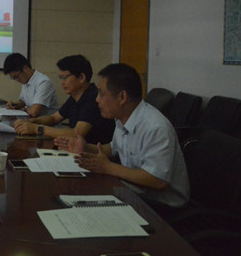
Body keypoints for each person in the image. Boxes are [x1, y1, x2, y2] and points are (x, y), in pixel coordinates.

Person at [54, 63, 189, 209]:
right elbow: (113, 148)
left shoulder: (155, 127)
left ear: (122, 97)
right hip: (134, 190)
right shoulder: (122, 117)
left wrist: (108, 167)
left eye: (101, 94)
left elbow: (158, 180)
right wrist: (85, 147)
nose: (97, 99)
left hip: (160, 205)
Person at [13, 55, 114, 144]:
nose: (61, 83)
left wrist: (37, 128)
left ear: (81, 77)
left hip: (94, 154)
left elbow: (77, 133)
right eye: (60, 78)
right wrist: (31, 121)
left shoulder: (93, 98)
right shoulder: (74, 97)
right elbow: (54, 118)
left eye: (65, 77)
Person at [3, 53, 59, 117]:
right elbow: (23, 102)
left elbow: (34, 112)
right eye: (13, 78)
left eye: (16, 77)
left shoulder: (43, 82)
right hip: (32, 120)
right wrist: (15, 105)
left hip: (47, 122)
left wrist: (22, 109)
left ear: (25, 68)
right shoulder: (26, 80)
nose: (16, 80)